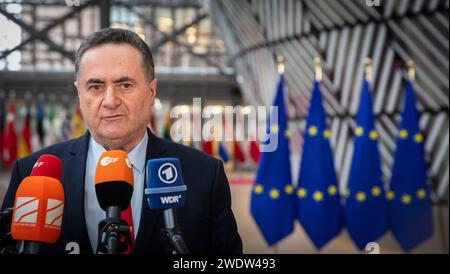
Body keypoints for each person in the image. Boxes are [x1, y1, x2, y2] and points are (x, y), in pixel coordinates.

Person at [1, 28, 242, 254]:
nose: (110, 100)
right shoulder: (31, 174)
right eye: (95, 86)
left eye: (125, 85)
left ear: (151, 91)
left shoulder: (204, 175)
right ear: (79, 93)